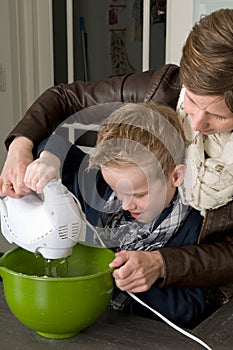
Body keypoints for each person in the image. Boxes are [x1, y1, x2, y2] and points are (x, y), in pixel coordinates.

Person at [0, 9, 232, 306]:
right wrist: (25, 149)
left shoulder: (185, 229)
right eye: (193, 101)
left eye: (217, 115)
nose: (197, 124)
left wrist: (163, 264)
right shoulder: (163, 88)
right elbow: (66, 99)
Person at [24, 101, 212, 328]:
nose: (125, 205)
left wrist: (132, 282)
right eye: (117, 191)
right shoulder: (99, 187)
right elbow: (49, 142)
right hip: (94, 324)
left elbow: (193, 307)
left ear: (175, 176)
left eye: (139, 194)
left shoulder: (195, 226)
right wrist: (48, 161)